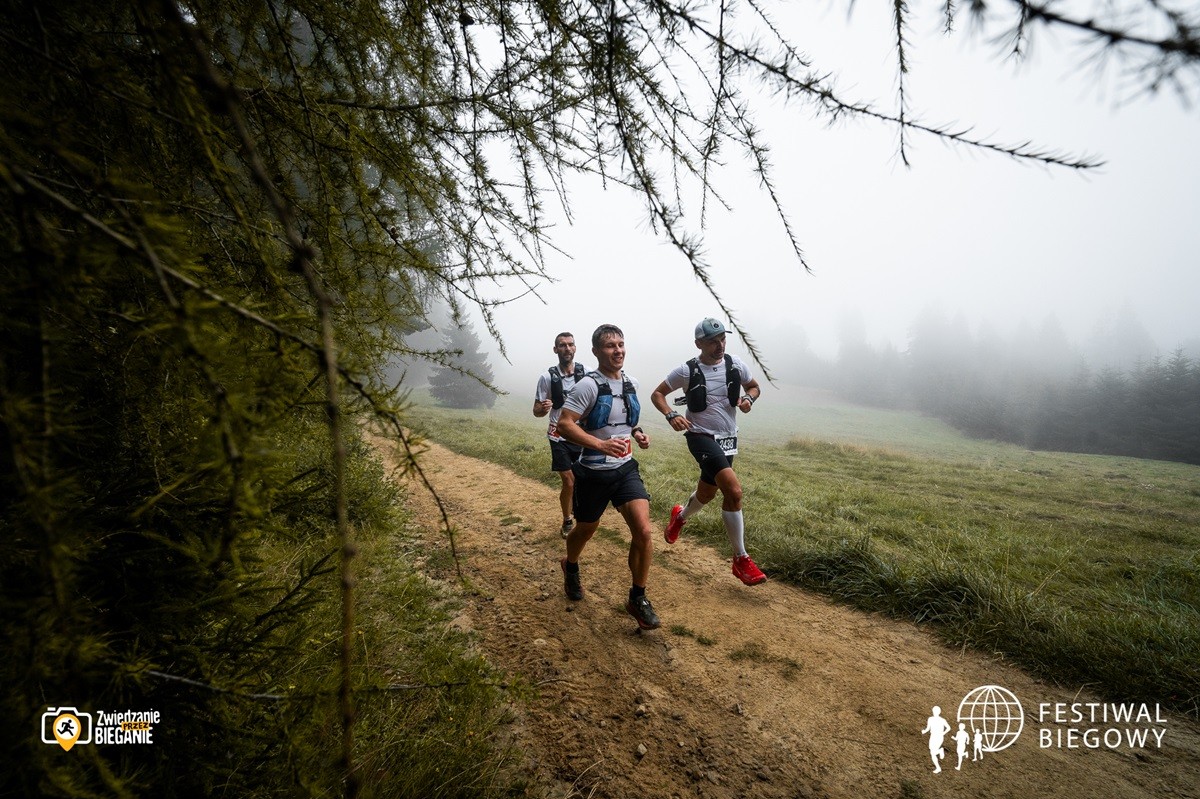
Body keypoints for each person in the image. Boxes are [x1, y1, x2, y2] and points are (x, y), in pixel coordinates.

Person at [556, 324, 660, 630]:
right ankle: (571, 566)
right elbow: (565, 424)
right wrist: (601, 444)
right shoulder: (587, 386)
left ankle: (637, 597)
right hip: (592, 472)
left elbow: (628, 421)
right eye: (610, 346)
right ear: (596, 352)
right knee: (586, 529)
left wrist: (637, 433)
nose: (618, 350)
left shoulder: (631, 383)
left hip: (626, 469)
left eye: (621, 344)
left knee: (643, 532)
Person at [649, 317, 766, 585]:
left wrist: (749, 399)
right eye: (713, 341)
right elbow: (658, 394)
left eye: (722, 339)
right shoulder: (687, 370)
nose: (719, 345)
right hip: (699, 435)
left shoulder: (735, 364)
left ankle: (679, 517)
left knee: (707, 492)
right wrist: (671, 415)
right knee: (733, 492)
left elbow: (754, 386)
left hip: (728, 438)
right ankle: (741, 559)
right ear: (698, 343)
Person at [532, 332, 586, 537]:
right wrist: (543, 409)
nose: (567, 348)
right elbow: (536, 411)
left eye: (570, 344)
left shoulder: (587, 373)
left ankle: (579, 512)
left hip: (581, 434)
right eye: (562, 345)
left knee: (582, 479)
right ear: (556, 350)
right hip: (558, 435)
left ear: (575, 348)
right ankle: (567, 520)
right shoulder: (547, 377)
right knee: (568, 481)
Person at [922, 706, 952, 774]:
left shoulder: (932, 719)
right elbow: (948, 728)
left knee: (932, 753)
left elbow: (928, 728)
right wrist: (943, 733)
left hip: (936, 736)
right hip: (937, 736)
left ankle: (940, 753)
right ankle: (938, 767)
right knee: (932, 752)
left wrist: (924, 731)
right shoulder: (941, 720)